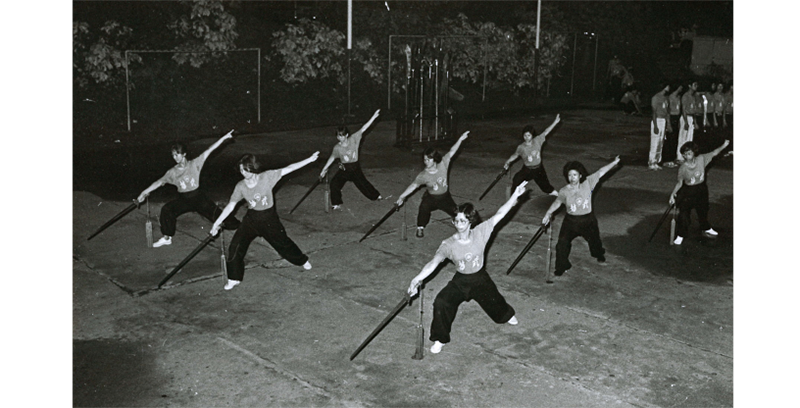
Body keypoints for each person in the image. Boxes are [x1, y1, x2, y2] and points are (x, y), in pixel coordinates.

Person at [406, 182, 529, 354]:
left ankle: (506, 316)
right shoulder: (448, 244)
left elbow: (501, 213)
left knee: (496, 302)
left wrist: (515, 195)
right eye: (456, 220)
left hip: (480, 278)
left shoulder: (481, 232)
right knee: (441, 302)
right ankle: (440, 339)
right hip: (461, 280)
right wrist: (417, 279)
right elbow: (433, 263)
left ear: (470, 221)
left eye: (463, 221)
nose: (458, 224)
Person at [210, 151, 319, 290]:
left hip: (269, 219)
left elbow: (289, 168)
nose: (244, 173)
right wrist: (216, 223)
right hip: (252, 219)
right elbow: (231, 205)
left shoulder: (267, 177)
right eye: (242, 170)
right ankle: (234, 278)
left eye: (246, 170)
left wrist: (309, 160)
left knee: (283, 244)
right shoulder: (240, 186)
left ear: (253, 168)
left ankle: (302, 260)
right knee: (235, 246)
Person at [137, 130, 240, 248]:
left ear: (184, 154)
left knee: (218, 216)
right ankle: (167, 237)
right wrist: (144, 192)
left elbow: (210, 150)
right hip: (184, 199)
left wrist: (225, 137)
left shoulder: (195, 163)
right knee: (167, 210)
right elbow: (159, 181)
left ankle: (239, 225)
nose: (175, 158)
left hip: (199, 198)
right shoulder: (172, 172)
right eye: (173, 155)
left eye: (177, 154)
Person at [541, 156, 621, 276]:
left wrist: (614, 162)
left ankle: (598, 254)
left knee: (594, 241)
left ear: (580, 175)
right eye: (569, 175)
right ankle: (562, 266)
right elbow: (558, 202)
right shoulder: (564, 190)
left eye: (574, 175)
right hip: (570, 222)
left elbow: (601, 172)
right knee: (562, 243)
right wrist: (548, 213)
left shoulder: (588, 183)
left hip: (587, 220)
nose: (572, 178)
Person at [396, 131, 470, 238]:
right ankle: (420, 227)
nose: (426, 162)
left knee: (457, 213)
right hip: (431, 198)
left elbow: (452, 150)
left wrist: (461, 139)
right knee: (423, 209)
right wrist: (402, 197)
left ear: (434, 159)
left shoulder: (443, 164)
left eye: (429, 159)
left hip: (445, 197)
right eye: (425, 159)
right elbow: (413, 186)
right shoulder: (423, 175)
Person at [668, 140, 729, 245]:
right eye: (685, 154)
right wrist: (672, 194)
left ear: (694, 153)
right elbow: (679, 183)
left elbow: (714, 152)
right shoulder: (683, 168)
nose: (687, 156)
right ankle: (681, 235)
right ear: (683, 156)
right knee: (684, 214)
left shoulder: (701, 159)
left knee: (703, 210)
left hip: (701, 189)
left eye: (689, 153)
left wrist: (724, 145)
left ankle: (705, 227)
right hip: (688, 191)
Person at [320, 109, 382, 210]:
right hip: (345, 169)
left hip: (354, 168)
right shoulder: (337, 147)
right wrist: (324, 169)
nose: (339, 138)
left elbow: (364, 128)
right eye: (338, 136)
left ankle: (376, 196)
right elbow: (332, 157)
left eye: (341, 136)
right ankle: (336, 203)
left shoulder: (354, 139)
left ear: (346, 135)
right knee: (334, 183)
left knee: (363, 184)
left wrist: (374, 117)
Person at [502, 114, 561, 196]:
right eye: (525, 135)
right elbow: (515, 155)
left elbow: (546, 131)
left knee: (545, 186)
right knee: (516, 179)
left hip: (538, 169)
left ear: (532, 136)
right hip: (527, 170)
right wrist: (507, 162)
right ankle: (513, 199)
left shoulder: (538, 140)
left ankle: (556, 195)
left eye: (529, 135)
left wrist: (555, 122)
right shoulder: (521, 147)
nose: (526, 138)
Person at [649, 83, 671, 170]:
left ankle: (657, 161)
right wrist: (655, 125)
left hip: (663, 120)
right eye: (668, 86)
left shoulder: (666, 98)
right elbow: (654, 112)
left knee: (660, 142)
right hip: (657, 120)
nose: (669, 88)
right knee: (655, 141)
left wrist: (668, 124)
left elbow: (667, 112)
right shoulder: (656, 97)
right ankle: (651, 162)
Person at [662, 84, 683, 168]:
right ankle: (667, 160)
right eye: (680, 87)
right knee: (669, 139)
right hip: (671, 117)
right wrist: (668, 124)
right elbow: (667, 112)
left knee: (675, 139)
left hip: (677, 118)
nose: (681, 88)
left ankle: (672, 158)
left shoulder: (679, 97)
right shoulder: (670, 97)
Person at [677, 81, 699, 162]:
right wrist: (685, 122)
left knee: (689, 138)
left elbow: (694, 111)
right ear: (690, 85)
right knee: (683, 137)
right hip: (685, 117)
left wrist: (695, 122)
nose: (696, 86)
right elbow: (684, 109)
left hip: (691, 118)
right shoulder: (685, 96)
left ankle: (687, 157)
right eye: (694, 85)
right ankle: (680, 157)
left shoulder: (693, 97)